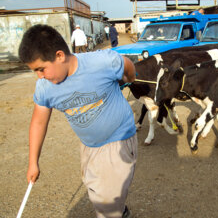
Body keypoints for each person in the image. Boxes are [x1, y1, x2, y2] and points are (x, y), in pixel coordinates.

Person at [19, 24, 137, 218]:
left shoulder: (101, 62)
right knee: (97, 189)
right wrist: (33, 162)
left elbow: (127, 64)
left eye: (41, 69)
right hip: (88, 146)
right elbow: (39, 122)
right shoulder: (45, 86)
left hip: (119, 141)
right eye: (35, 71)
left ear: (59, 56)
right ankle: (119, 211)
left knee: (107, 204)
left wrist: (128, 79)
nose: (39, 76)